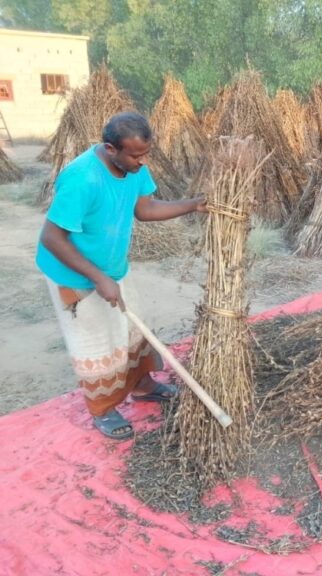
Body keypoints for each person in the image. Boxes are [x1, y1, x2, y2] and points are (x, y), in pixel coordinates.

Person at [36, 111, 207, 440]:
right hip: (73, 273)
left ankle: (142, 387)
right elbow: (51, 238)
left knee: (131, 327)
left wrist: (192, 205)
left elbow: (145, 210)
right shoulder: (82, 179)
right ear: (110, 149)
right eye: (136, 155)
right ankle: (102, 410)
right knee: (96, 341)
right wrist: (98, 278)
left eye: (146, 153)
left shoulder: (134, 166)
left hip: (112, 267)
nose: (143, 161)